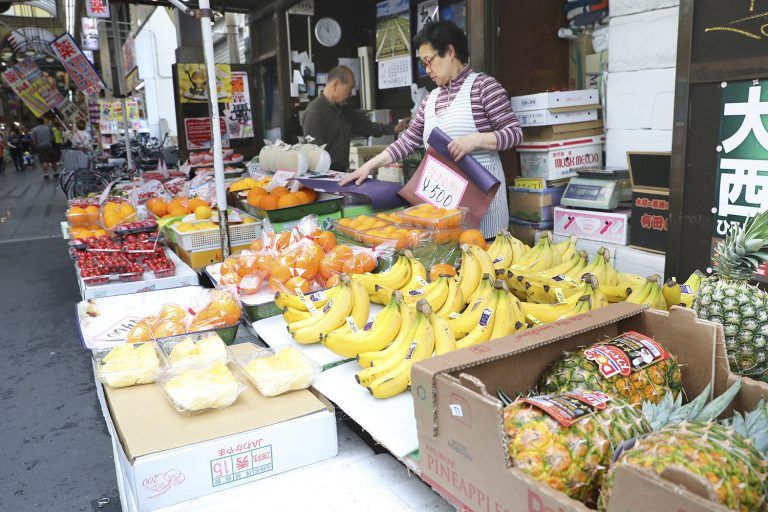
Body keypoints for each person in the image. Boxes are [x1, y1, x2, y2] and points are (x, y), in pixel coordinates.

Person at [340, 21, 523, 237]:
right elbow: (407, 142)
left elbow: (514, 133)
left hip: (483, 205)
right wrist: (368, 167)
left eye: (429, 61)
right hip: (445, 207)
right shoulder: (430, 99)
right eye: (423, 64)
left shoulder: (484, 87)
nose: (427, 71)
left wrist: (476, 140)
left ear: (450, 51)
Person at [302, 65, 409, 171]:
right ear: (336, 85)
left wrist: (394, 128)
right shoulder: (315, 112)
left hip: (341, 174)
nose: (351, 94)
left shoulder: (344, 111)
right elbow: (314, 153)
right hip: (322, 176)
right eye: (350, 89)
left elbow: (368, 127)